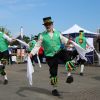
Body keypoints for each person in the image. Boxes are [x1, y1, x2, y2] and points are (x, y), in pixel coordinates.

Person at [30, 17, 75, 96]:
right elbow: (37, 46)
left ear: (52, 24)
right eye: (46, 24)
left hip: (59, 52)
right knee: (53, 73)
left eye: (49, 24)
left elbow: (64, 40)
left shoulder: (57, 33)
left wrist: (68, 41)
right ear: (44, 25)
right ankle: (54, 89)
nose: (48, 26)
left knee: (67, 56)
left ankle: (69, 75)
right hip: (50, 56)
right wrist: (31, 53)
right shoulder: (42, 35)